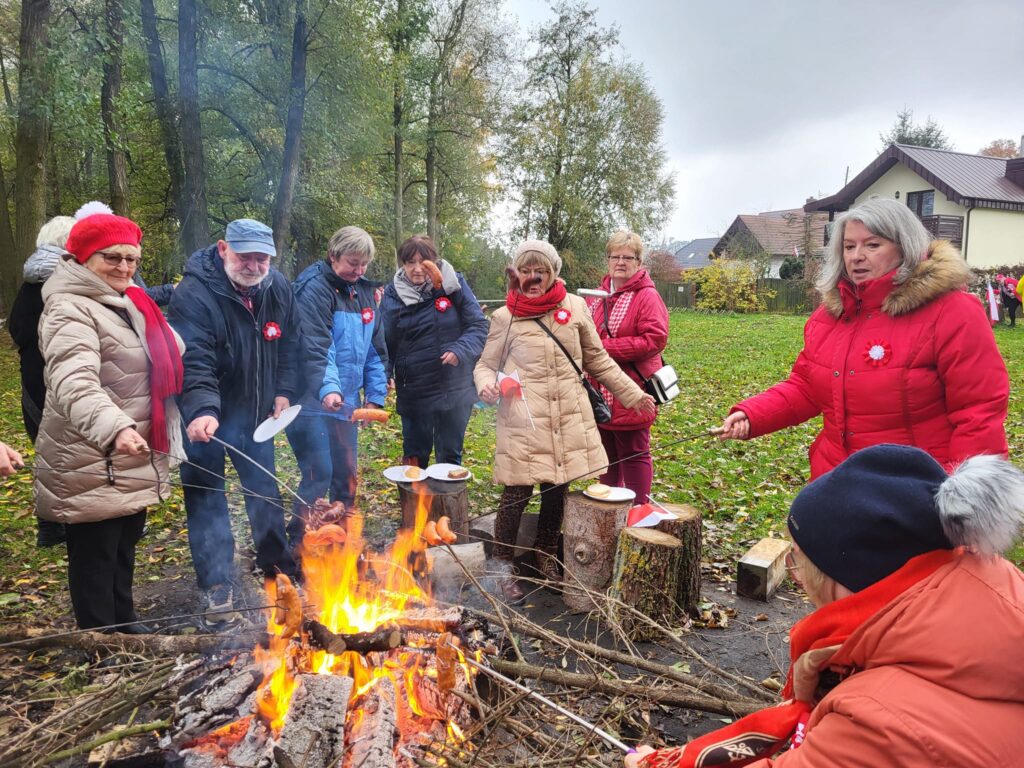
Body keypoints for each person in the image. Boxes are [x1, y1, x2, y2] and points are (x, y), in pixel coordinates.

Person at [627, 444, 1024, 768]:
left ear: (843, 577)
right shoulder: (993, 590)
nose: (794, 574)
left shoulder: (880, 724)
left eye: (799, 560)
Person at [718, 198, 1008, 478]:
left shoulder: (952, 311)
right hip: (838, 483)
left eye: (872, 244)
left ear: (905, 247)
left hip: (918, 491)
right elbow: (807, 386)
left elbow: (978, 411)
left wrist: (965, 499)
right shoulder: (829, 315)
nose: (856, 256)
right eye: (848, 246)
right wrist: (752, 415)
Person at [474, 240, 655, 603]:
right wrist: (486, 385)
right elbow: (485, 365)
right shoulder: (504, 318)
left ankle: (544, 555)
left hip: (567, 417)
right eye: (526, 270)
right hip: (524, 421)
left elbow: (598, 360)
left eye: (540, 270)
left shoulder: (574, 308)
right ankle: (502, 567)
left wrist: (632, 394)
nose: (533, 277)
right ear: (517, 274)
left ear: (553, 271)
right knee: (516, 494)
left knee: (557, 491)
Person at [33, 213, 184, 632]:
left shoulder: (131, 301)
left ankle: (126, 622)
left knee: (124, 544)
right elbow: (72, 380)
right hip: (92, 450)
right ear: (82, 258)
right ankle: (100, 641)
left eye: (131, 259)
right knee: (96, 555)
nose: (124, 268)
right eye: (111, 258)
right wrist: (114, 428)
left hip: (133, 446)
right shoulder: (68, 308)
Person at [168, 219, 299, 625]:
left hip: (256, 414)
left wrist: (284, 390)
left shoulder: (277, 287)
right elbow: (195, 359)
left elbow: (293, 345)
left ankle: (276, 567)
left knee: (264, 492)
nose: (255, 266)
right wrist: (204, 409)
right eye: (246, 256)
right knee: (207, 499)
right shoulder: (193, 293)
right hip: (203, 417)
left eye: (262, 258)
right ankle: (216, 583)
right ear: (224, 249)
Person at [286, 226, 389, 543]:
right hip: (311, 401)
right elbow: (317, 347)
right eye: (352, 263)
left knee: (346, 477)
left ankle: (342, 545)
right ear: (333, 256)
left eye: (364, 265)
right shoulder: (313, 289)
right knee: (319, 475)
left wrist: (375, 395)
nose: (359, 271)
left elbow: (374, 350)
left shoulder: (365, 294)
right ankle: (301, 544)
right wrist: (328, 388)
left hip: (346, 404)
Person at [380, 235, 488, 469]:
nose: (417, 269)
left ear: (435, 261)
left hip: (455, 388)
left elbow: (479, 326)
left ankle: (446, 506)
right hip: (414, 390)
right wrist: (385, 372)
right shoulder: (392, 294)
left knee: (449, 458)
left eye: (424, 261)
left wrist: (460, 349)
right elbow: (385, 341)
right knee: (414, 459)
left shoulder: (454, 285)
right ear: (403, 264)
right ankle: (416, 506)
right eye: (410, 262)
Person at [8, 215, 76, 547]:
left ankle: (58, 523)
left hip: (36, 376)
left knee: (54, 450)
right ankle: (52, 526)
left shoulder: (32, 281)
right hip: (47, 379)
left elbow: (16, 327)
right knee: (56, 451)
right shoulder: (57, 283)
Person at [586, 231, 669, 503]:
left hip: (634, 386)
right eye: (615, 256)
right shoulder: (596, 295)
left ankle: (638, 511)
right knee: (606, 453)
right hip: (601, 389)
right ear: (608, 259)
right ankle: (608, 510)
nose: (620, 262)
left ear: (638, 261)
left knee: (634, 452)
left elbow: (655, 339)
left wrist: (604, 349)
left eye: (627, 257)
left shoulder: (646, 296)